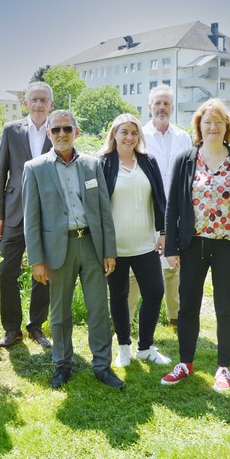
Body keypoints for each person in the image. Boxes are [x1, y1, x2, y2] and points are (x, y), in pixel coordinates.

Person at [22, 109, 124, 390]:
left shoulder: (92, 165)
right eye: (56, 130)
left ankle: (102, 365)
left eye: (67, 129)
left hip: (91, 245)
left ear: (76, 132)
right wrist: (36, 261)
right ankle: (62, 364)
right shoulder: (35, 168)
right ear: (48, 134)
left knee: (98, 310)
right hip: (58, 248)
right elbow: (31, 219)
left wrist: (109, 250)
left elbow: (104, 211)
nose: (62, 135)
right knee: (60, 312)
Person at [161, 99, 230, 392]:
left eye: (218, 122)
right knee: (188, 305)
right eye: (207, 122)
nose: (212, 127)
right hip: (193, 244)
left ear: (227, 127)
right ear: (199, 127)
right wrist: (172, 248)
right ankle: (185, 363)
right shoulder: (186, 159)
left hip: (227, 245)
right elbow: (172, 208)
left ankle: (223, 368)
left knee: (225, 307)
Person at [99, 114, 171, 368]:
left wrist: (163, 232)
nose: (129, 137)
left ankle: (145, 346)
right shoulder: (103, 163)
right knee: (119, 296)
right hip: (115, 247)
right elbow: (98, 206)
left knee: (155, 292)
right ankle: (124, 347)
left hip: (145, 244)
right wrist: (103, 246)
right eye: (124, 132)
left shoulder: (147, 161)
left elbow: (161, 200)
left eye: (133, 132)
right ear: (114, 134)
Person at [0, 82, 53, 349]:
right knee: (7, 271)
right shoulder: (11, 130)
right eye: (34, 100)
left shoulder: (59, 130)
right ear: (25, 104)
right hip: (15, 211)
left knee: (45, 272)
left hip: (47, 214)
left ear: (51, 104)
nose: (38, 104)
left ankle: (36, 326)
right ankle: (12, 329)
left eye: (44, 100)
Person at [127, 84, 193, 328]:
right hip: (145, 210)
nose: (162, 107)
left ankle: (175, 316)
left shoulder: (183, 137)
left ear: (172, 108)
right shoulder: (139, 137)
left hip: (174, 211)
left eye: (166, 103)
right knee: (136, 267)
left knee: (173, 265)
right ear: (149, 107)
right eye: (158, 103)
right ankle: (127, 319)